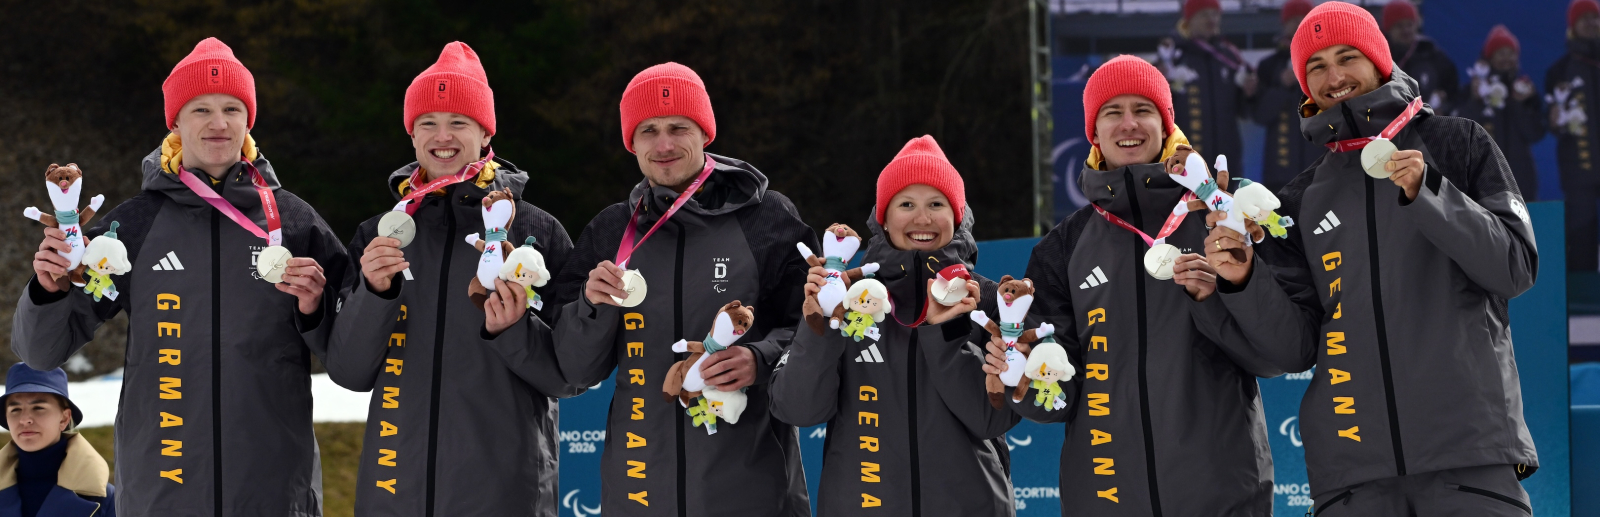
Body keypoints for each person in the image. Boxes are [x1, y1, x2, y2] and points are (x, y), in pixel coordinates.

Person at [1203, 3, 1539, 515]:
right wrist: (1245, 278)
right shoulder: (1300, 196)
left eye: (1347, 57)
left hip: (1468, 460)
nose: (1334, 76)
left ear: (1380, 61)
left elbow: (1513, 268)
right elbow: (1294, 349)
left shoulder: (1457, 142)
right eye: (1316, 66)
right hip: (1353, 479)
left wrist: (1430, 192)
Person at [13, 37, 347, 516]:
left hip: (273, 491)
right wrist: (48, 291)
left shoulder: (292, 221)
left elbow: (352, 352)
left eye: (232, 108)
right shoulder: (134, 225)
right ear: (175, 122)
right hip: (162, 491)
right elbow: (42, 350)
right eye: (200, 109)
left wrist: (316, 308)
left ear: (248, 121)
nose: (218, 123)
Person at [992, 55, 1277, 516]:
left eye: (1143, 109)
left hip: (1222, 498)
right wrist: (1024, 380)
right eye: (1112, 111)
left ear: (1166, 126)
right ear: (1095, 132)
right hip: (1105, 500)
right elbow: (1056, 402)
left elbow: (1278, 354)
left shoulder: (1223, 214)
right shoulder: (1062, 248)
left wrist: (1235, 284)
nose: (1129, 123)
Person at [324, 42, 583, 516]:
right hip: (393, 492)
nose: (442, 136)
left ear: (486, 133)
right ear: (413, 136)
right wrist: (376, 295)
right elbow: (348, 373)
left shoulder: (536, 233)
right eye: (428, 123)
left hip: (504, 493)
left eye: (458, 122)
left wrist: (511, 329)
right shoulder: (378, 235)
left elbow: (567, 377)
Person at [550, 62, 815, 516]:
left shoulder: (766, 217)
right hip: (637, 490)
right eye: (648, 130)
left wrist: (761, 358)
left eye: (678, 127)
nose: (664, 144)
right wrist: (590, 308)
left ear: (705, 133)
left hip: (749, 493)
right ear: (631, 142)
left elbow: (813, 327)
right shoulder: (611, 230)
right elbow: (573, 370)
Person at [769, 135, 1021, 515]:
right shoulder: (850, 297)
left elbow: (991, 418)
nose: (922, 219)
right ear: (883, 217)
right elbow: (798, 409)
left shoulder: (985, 301)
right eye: (906, 204)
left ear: (957, 215)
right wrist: (818, 325)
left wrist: (944, 333)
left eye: (936, 204)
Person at [0, 364, 114, 517]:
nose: (25, 419)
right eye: (15, 410)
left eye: (38, 408)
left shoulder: (107, 499)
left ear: (64, 418)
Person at [1158, 0, 1256, 162]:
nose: (1211, 20)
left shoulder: (1229, 56)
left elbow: (1243, 110)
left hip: (1226, 159)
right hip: (1186, 160)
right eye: (1204, 15)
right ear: (1189, 20)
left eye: (1215, 14)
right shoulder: (1173, 57)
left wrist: (1249, 94)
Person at [1455, 25, 1545, 200]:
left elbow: (1535, 133)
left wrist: (1518, 104)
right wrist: (1475, 101)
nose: (1507, 59)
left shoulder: (1525, 92)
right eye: (1501, 53)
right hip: (1484, 179)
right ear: (1489, 58)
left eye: (1510, 53)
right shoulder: (1472, 91)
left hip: (1521, 179)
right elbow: (1461, 130)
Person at [1252, 0, 1326, 192]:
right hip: (1280, 174)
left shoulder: (1327, 63)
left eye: (1304, 20)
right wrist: (1282, 86)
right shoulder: (1270, 65)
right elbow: (1261, 116)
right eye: (1293, 20)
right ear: (1284, 24)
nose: (1299, 24)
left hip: (1321, 172)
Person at [1548, 0, 1600, 271]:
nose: (1592, 23)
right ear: (1573, 26)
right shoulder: (1559, 71)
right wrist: (1555, 121)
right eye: (1586, 18)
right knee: (1582, 231)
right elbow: (1550, 123)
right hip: (1578, 169)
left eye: (1596, 17)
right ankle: (1583, 299)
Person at [1383, 0, 1459, 112]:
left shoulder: (1431, 53)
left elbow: (1453, 91)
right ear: (1389, 29)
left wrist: (1443, 104)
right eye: (1399, 26)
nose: (1406, 30)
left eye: (1409, 24)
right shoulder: (1379, 55)